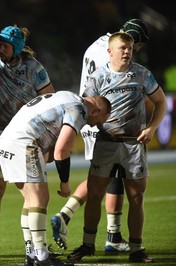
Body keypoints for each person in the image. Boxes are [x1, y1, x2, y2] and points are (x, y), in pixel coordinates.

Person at [51, 18, 150, 252]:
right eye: (135, 47)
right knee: (103, 179)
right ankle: (68, 215)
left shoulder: (97, 44)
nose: (132, 52)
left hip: (91, 115)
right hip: (102, 118)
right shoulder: (114, 54)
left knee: (111, 176)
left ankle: (113, 236)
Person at [67, 32, 167, 263]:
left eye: (130, 48)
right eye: (122, 47)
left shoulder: (142, 74)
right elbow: (85, 109)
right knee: (93, 195)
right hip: (105, 144)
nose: (127, 51)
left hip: (133, 145)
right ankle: (87, 245)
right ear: (109, 51)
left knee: (136, 197)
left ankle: (136, 249)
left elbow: (160, 102)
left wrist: (151, 128)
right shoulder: (97, 77)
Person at [0, 91, 111, 266]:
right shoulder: (79, 109)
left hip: (7, 141)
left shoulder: (68, 96)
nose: (96, 126)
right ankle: (42, 258)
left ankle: (32, 253)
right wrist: (65, 182)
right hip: (23, 143)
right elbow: (61, 150)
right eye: (99, 121)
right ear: (95, 111)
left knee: (30, 200)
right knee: (40, 198)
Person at [0, 25, 55, 262]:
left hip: (24, 137)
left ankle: (30, 246)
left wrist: (50, 141)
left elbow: (49, 99)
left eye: (4, 46)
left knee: (30, 192)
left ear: (15, 48)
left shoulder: (34, 69)